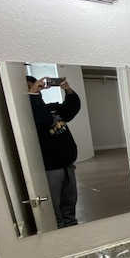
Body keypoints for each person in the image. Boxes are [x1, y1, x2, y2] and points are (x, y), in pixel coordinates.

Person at [26, 75, 81, 228]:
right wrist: (33, 96)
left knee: (70, 202)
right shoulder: (28, 116)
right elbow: (44, 121)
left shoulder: (51, 108)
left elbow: (71, 109)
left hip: (68, 164)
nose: (36, 89)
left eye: (36, 86)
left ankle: (72, 226)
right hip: (50, 168)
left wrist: (68, 90)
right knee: (54, 208)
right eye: (30, 88)